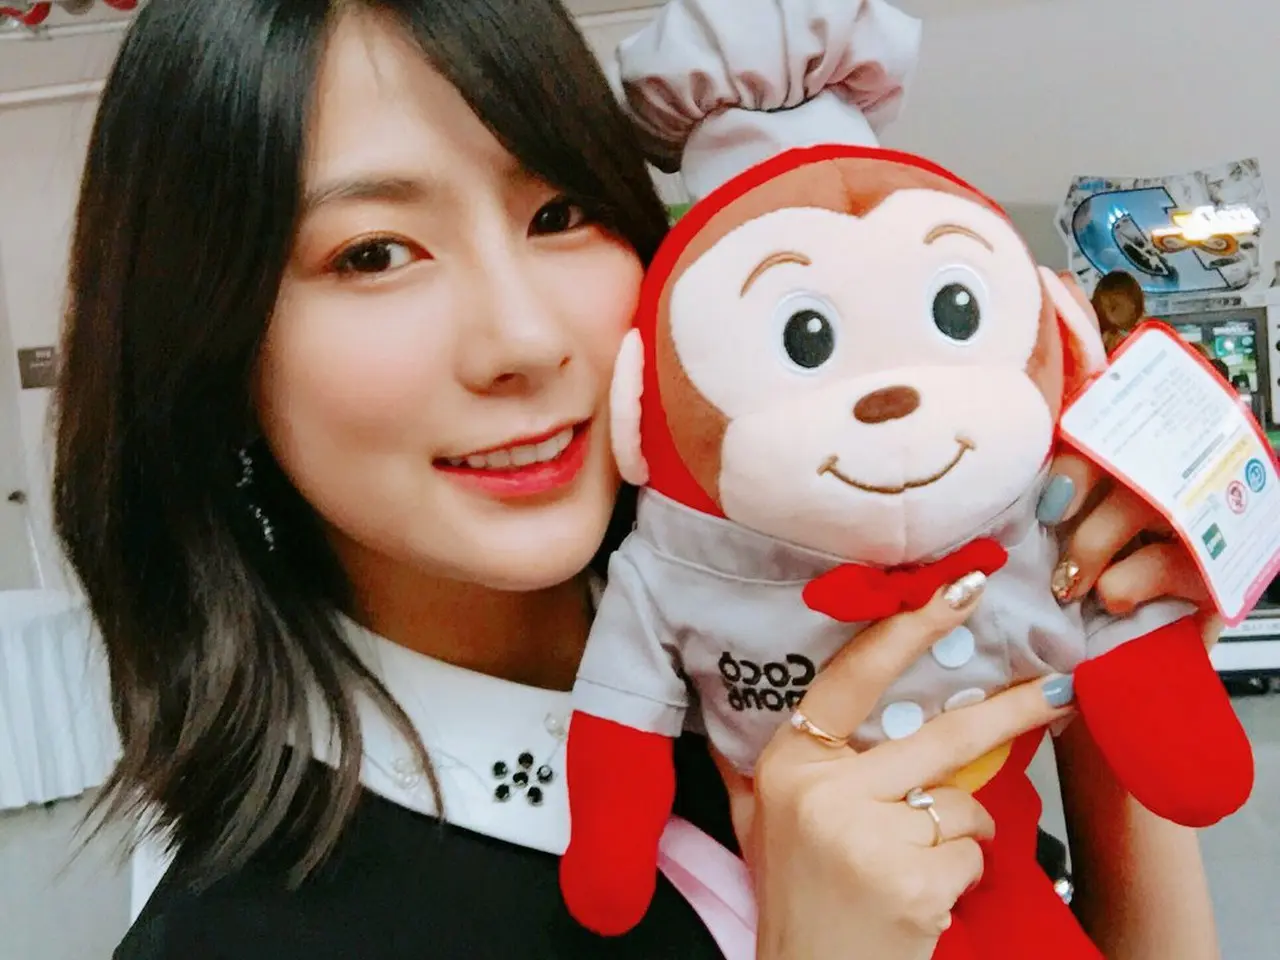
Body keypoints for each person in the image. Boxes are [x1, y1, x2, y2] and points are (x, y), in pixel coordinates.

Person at [52, 1, 1222, 958]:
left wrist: (1088, 619)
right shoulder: (248, 932)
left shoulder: (795, 597)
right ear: (210, 354)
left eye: (557, 212)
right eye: (373, 253)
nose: (521, 339)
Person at [1091, 270, 1147, 354]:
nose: (1108, 316)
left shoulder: (1147, 332)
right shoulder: (1101, 337)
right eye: (1101, 310)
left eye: (1114, 307)